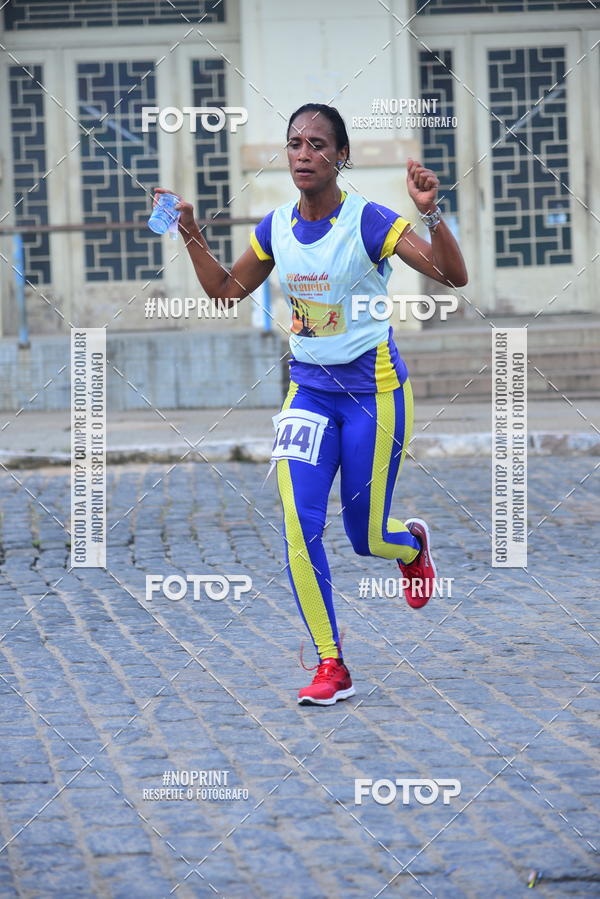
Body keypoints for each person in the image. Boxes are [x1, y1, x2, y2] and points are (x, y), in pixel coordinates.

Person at [154, 102, 467, 707]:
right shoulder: (274, 227)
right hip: (308, 395)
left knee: (366, 535)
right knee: (300, 527)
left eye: (318, 144)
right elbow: (224, 291)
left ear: (341, 156)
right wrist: (189, 229)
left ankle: (411, 546)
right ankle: (331, 662)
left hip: (374, 395)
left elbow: (453, 276)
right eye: (295, 143)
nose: (304, 154)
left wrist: (431, 213)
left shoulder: (371, 221)